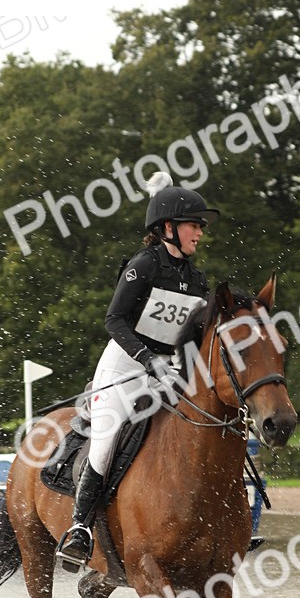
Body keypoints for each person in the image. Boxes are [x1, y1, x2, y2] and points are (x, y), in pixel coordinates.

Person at [57, 171, 217, 570]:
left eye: (200, 226)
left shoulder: (196, 279)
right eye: (193, 225)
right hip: (125, 364)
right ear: (168, 228)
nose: (199, 232)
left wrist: (191, 370)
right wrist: (147, 359)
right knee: (107, 440)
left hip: (169, 370)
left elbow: (193, 336)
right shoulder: (143, 265)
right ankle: (80, 529)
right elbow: (114, 320)